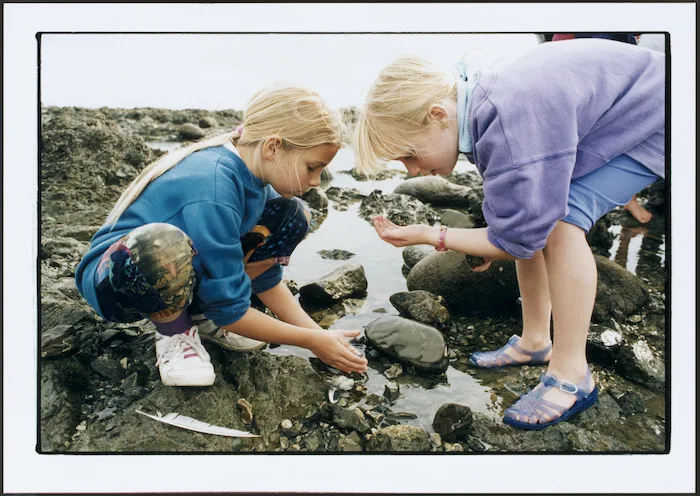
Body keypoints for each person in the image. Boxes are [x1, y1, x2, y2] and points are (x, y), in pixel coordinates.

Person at [354, 39, 664, 430]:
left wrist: (430, 234)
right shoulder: (483, 107)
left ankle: (571, 374)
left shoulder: (507, 114)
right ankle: (535, 340)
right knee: (540, 212)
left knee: (563, 222)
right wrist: (500, 233)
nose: (411, 170)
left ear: (438, 115)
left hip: (662, 114)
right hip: (620, 113)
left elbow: (516, 237)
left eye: (409, 155)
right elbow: (516, 210)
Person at [75, 83, 368, 387]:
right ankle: (175, 333)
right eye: (312, 167)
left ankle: (201, 316)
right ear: (273, 147)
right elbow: (233, 312)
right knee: (161, 247)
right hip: (118, 281)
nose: (316, 181)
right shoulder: (213, 185)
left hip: (183, 267)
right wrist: (309, 341)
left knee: (294, 214)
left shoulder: (257, 178)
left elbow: (265, 279)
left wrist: (319, 336)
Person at [542, 32, 655, 224]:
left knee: (624, 129)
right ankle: (555, 201)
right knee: (569, 136)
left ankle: (629, 199)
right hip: (575, 61)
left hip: (615, 59)